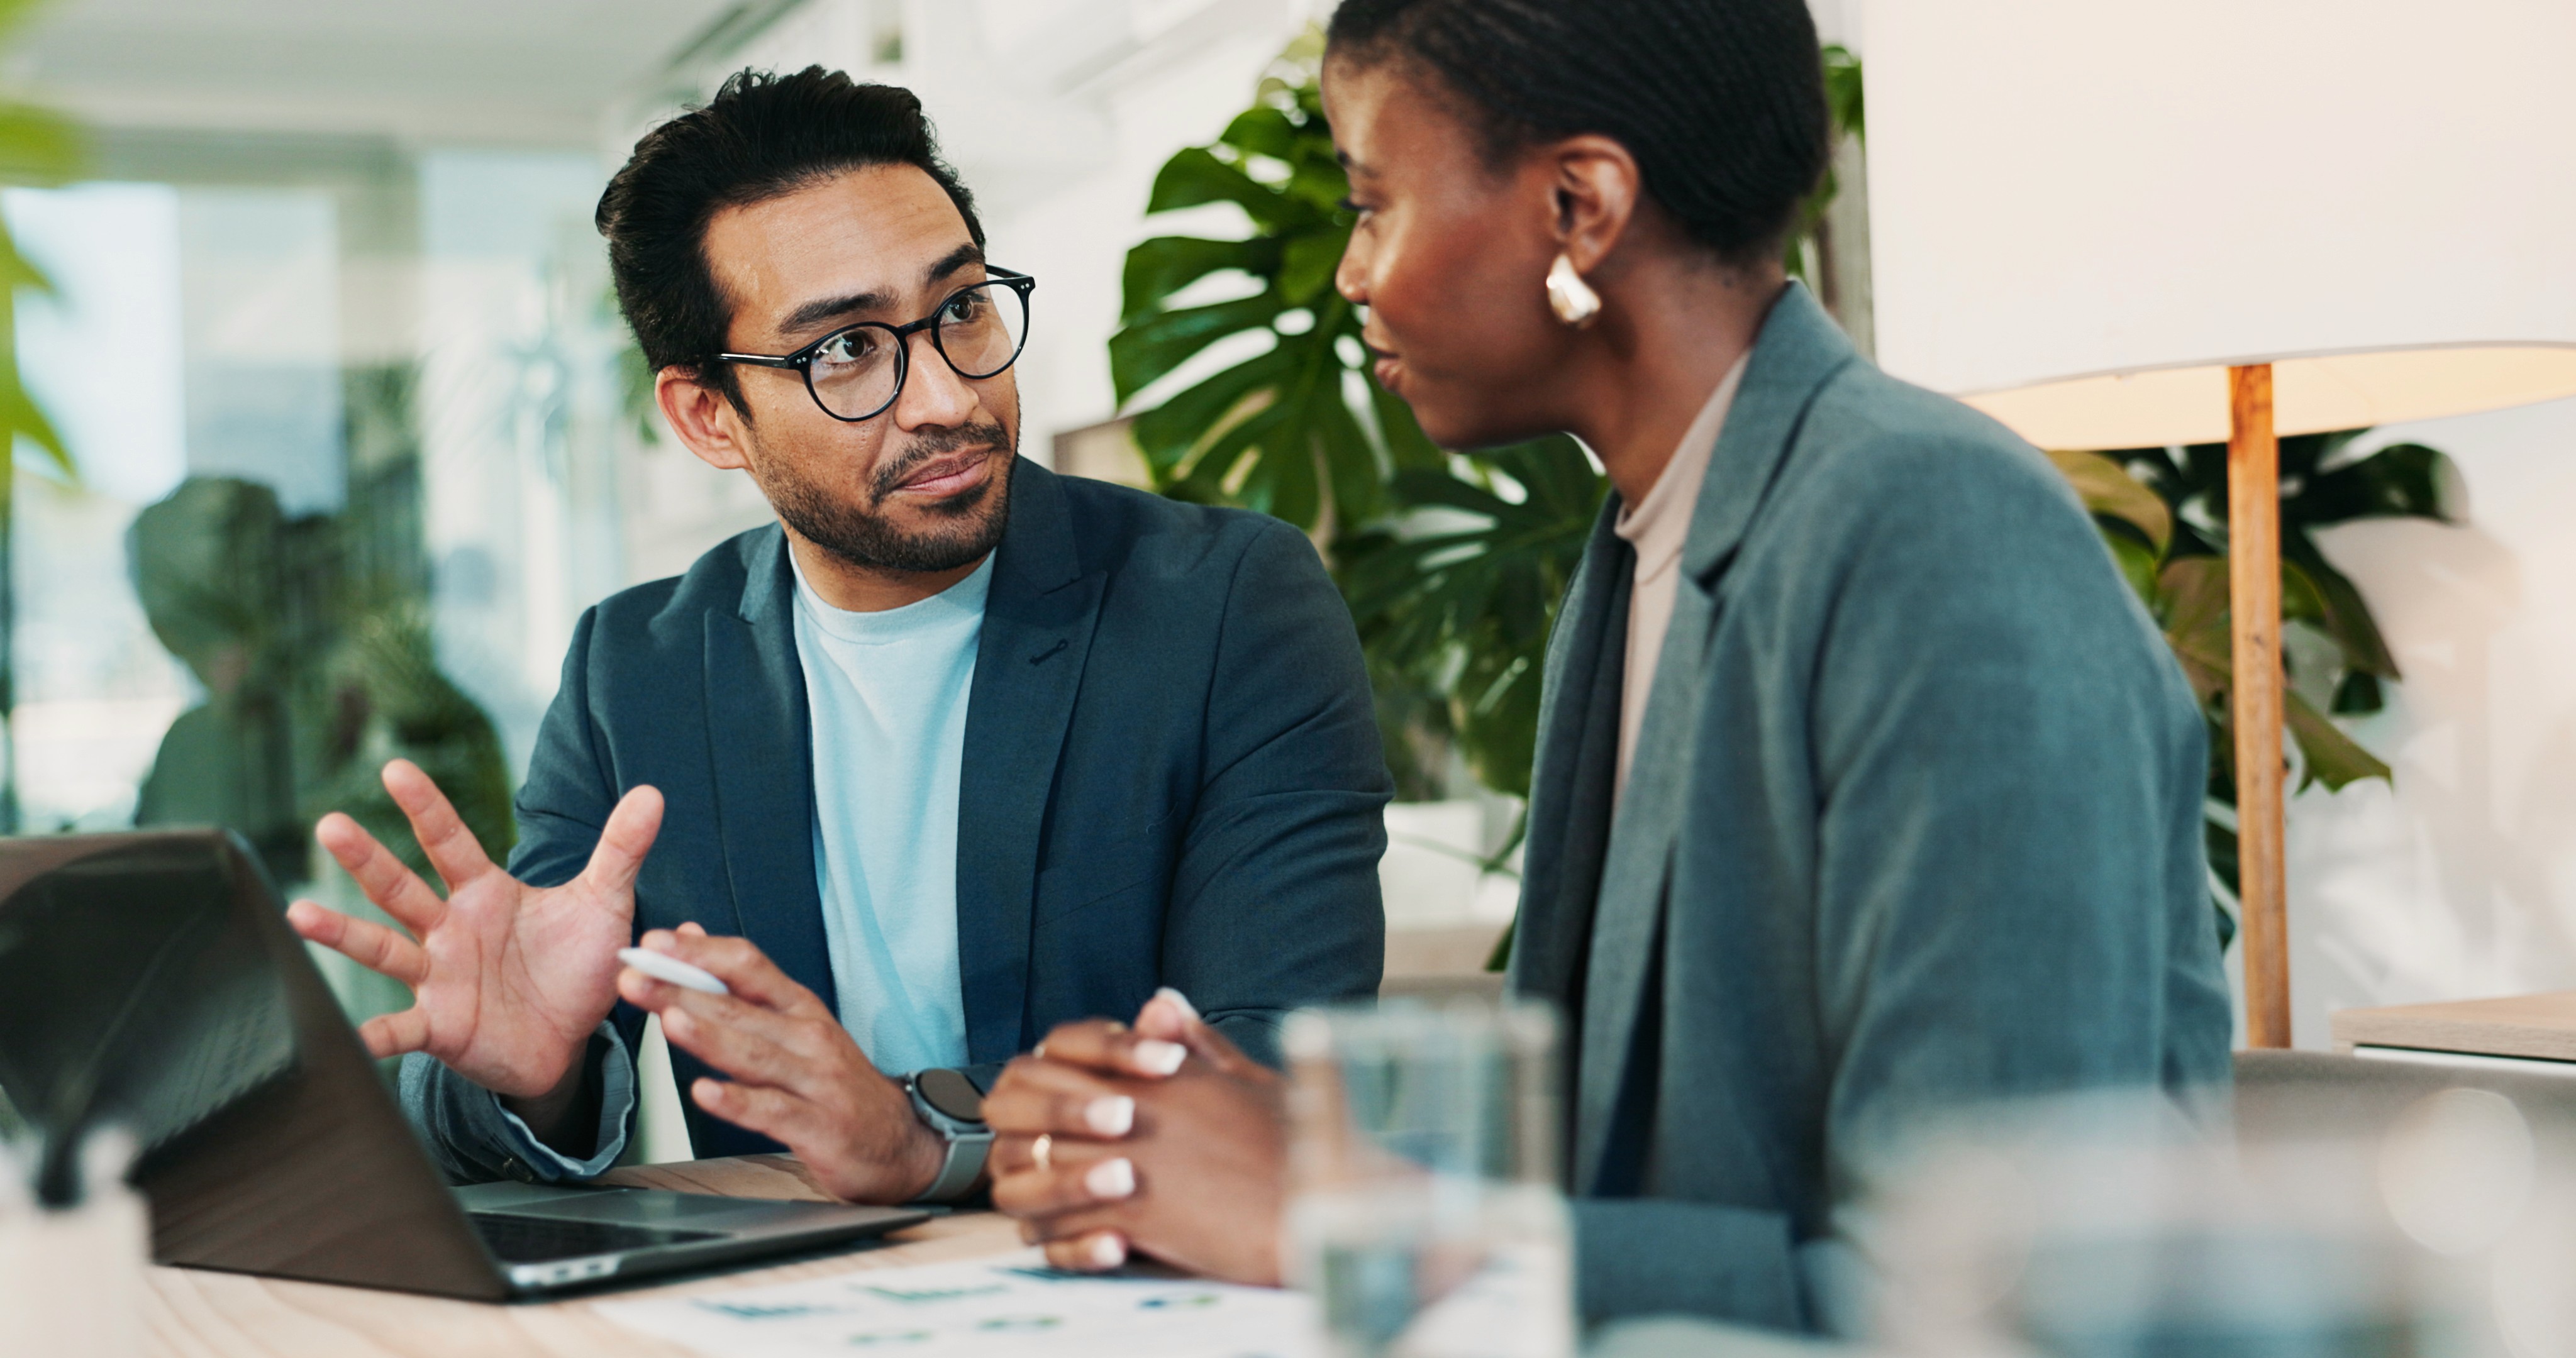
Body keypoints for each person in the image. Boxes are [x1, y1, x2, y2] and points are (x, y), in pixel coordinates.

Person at [975, 0, 2233, 1332]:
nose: (1352, 274)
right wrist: (1296, 1147)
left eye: (1373, 203)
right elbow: (1637, 1173)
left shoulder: (1933, 531)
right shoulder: (1644, 541)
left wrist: (1344, 1217)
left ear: (1578, 205)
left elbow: (2007, 1296)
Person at [285, 67, 1391, 1206]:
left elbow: (1279, 1064)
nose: (946, 399)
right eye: (846, 350)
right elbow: (516, 1058)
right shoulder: (638, 670)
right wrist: (535, 1078)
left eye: (960, 310)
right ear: (711, 417)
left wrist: (932, 1140)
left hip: (1143, 1287)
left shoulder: (1221, 603)